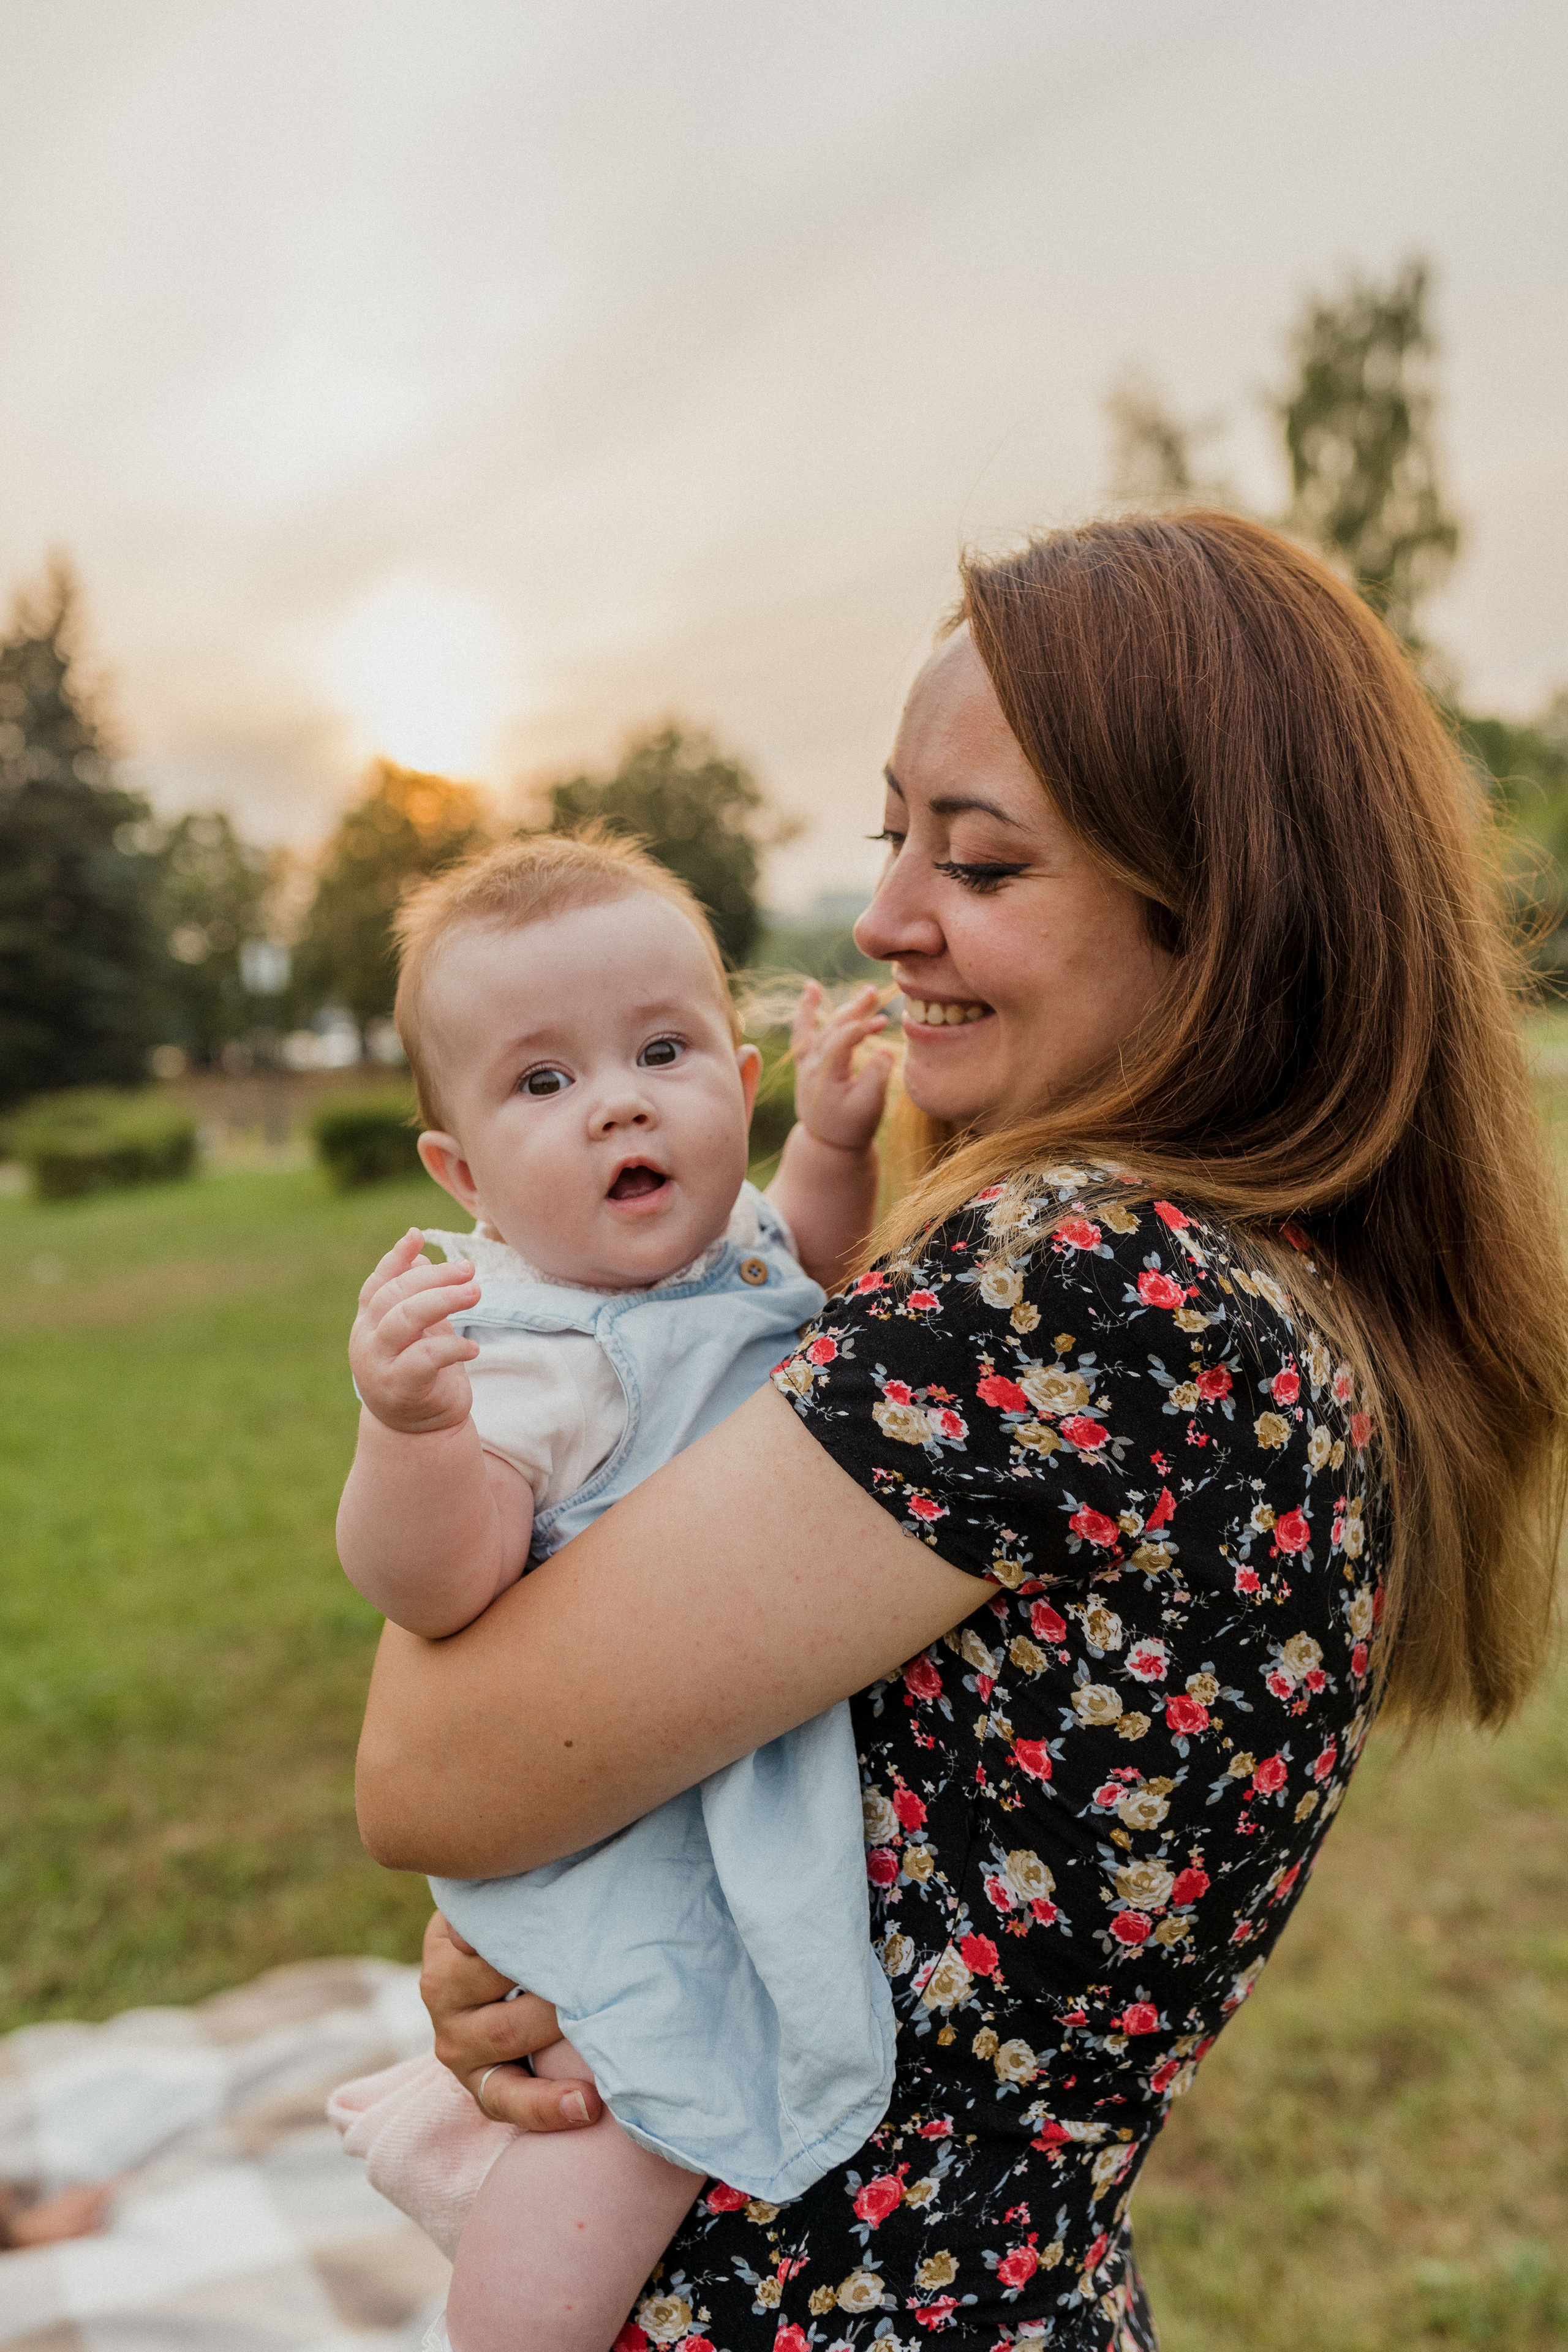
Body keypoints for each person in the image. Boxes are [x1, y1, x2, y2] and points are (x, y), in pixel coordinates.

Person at [357, 511, 1568, 2352]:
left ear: (1219, 913)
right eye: (893, 833)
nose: (884, 918)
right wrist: (588, 1935)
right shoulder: (1265, 1279)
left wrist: (544, 1887)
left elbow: (433, 1777)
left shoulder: (1087, 1287)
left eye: (980, 861)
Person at [331, 829, 905, 2352]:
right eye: (542, 1083)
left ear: (737, 1068)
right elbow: (436, 1586)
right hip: (621, 1830)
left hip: (701, 1769)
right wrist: (412, 1434)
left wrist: (837, 1151)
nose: (618, 1101)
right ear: (463, 1178)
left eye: (661, 1049)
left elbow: (815, 1281)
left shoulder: (730, 1246)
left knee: (659, 2087)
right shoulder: (533, 1354)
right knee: (614, 2119)